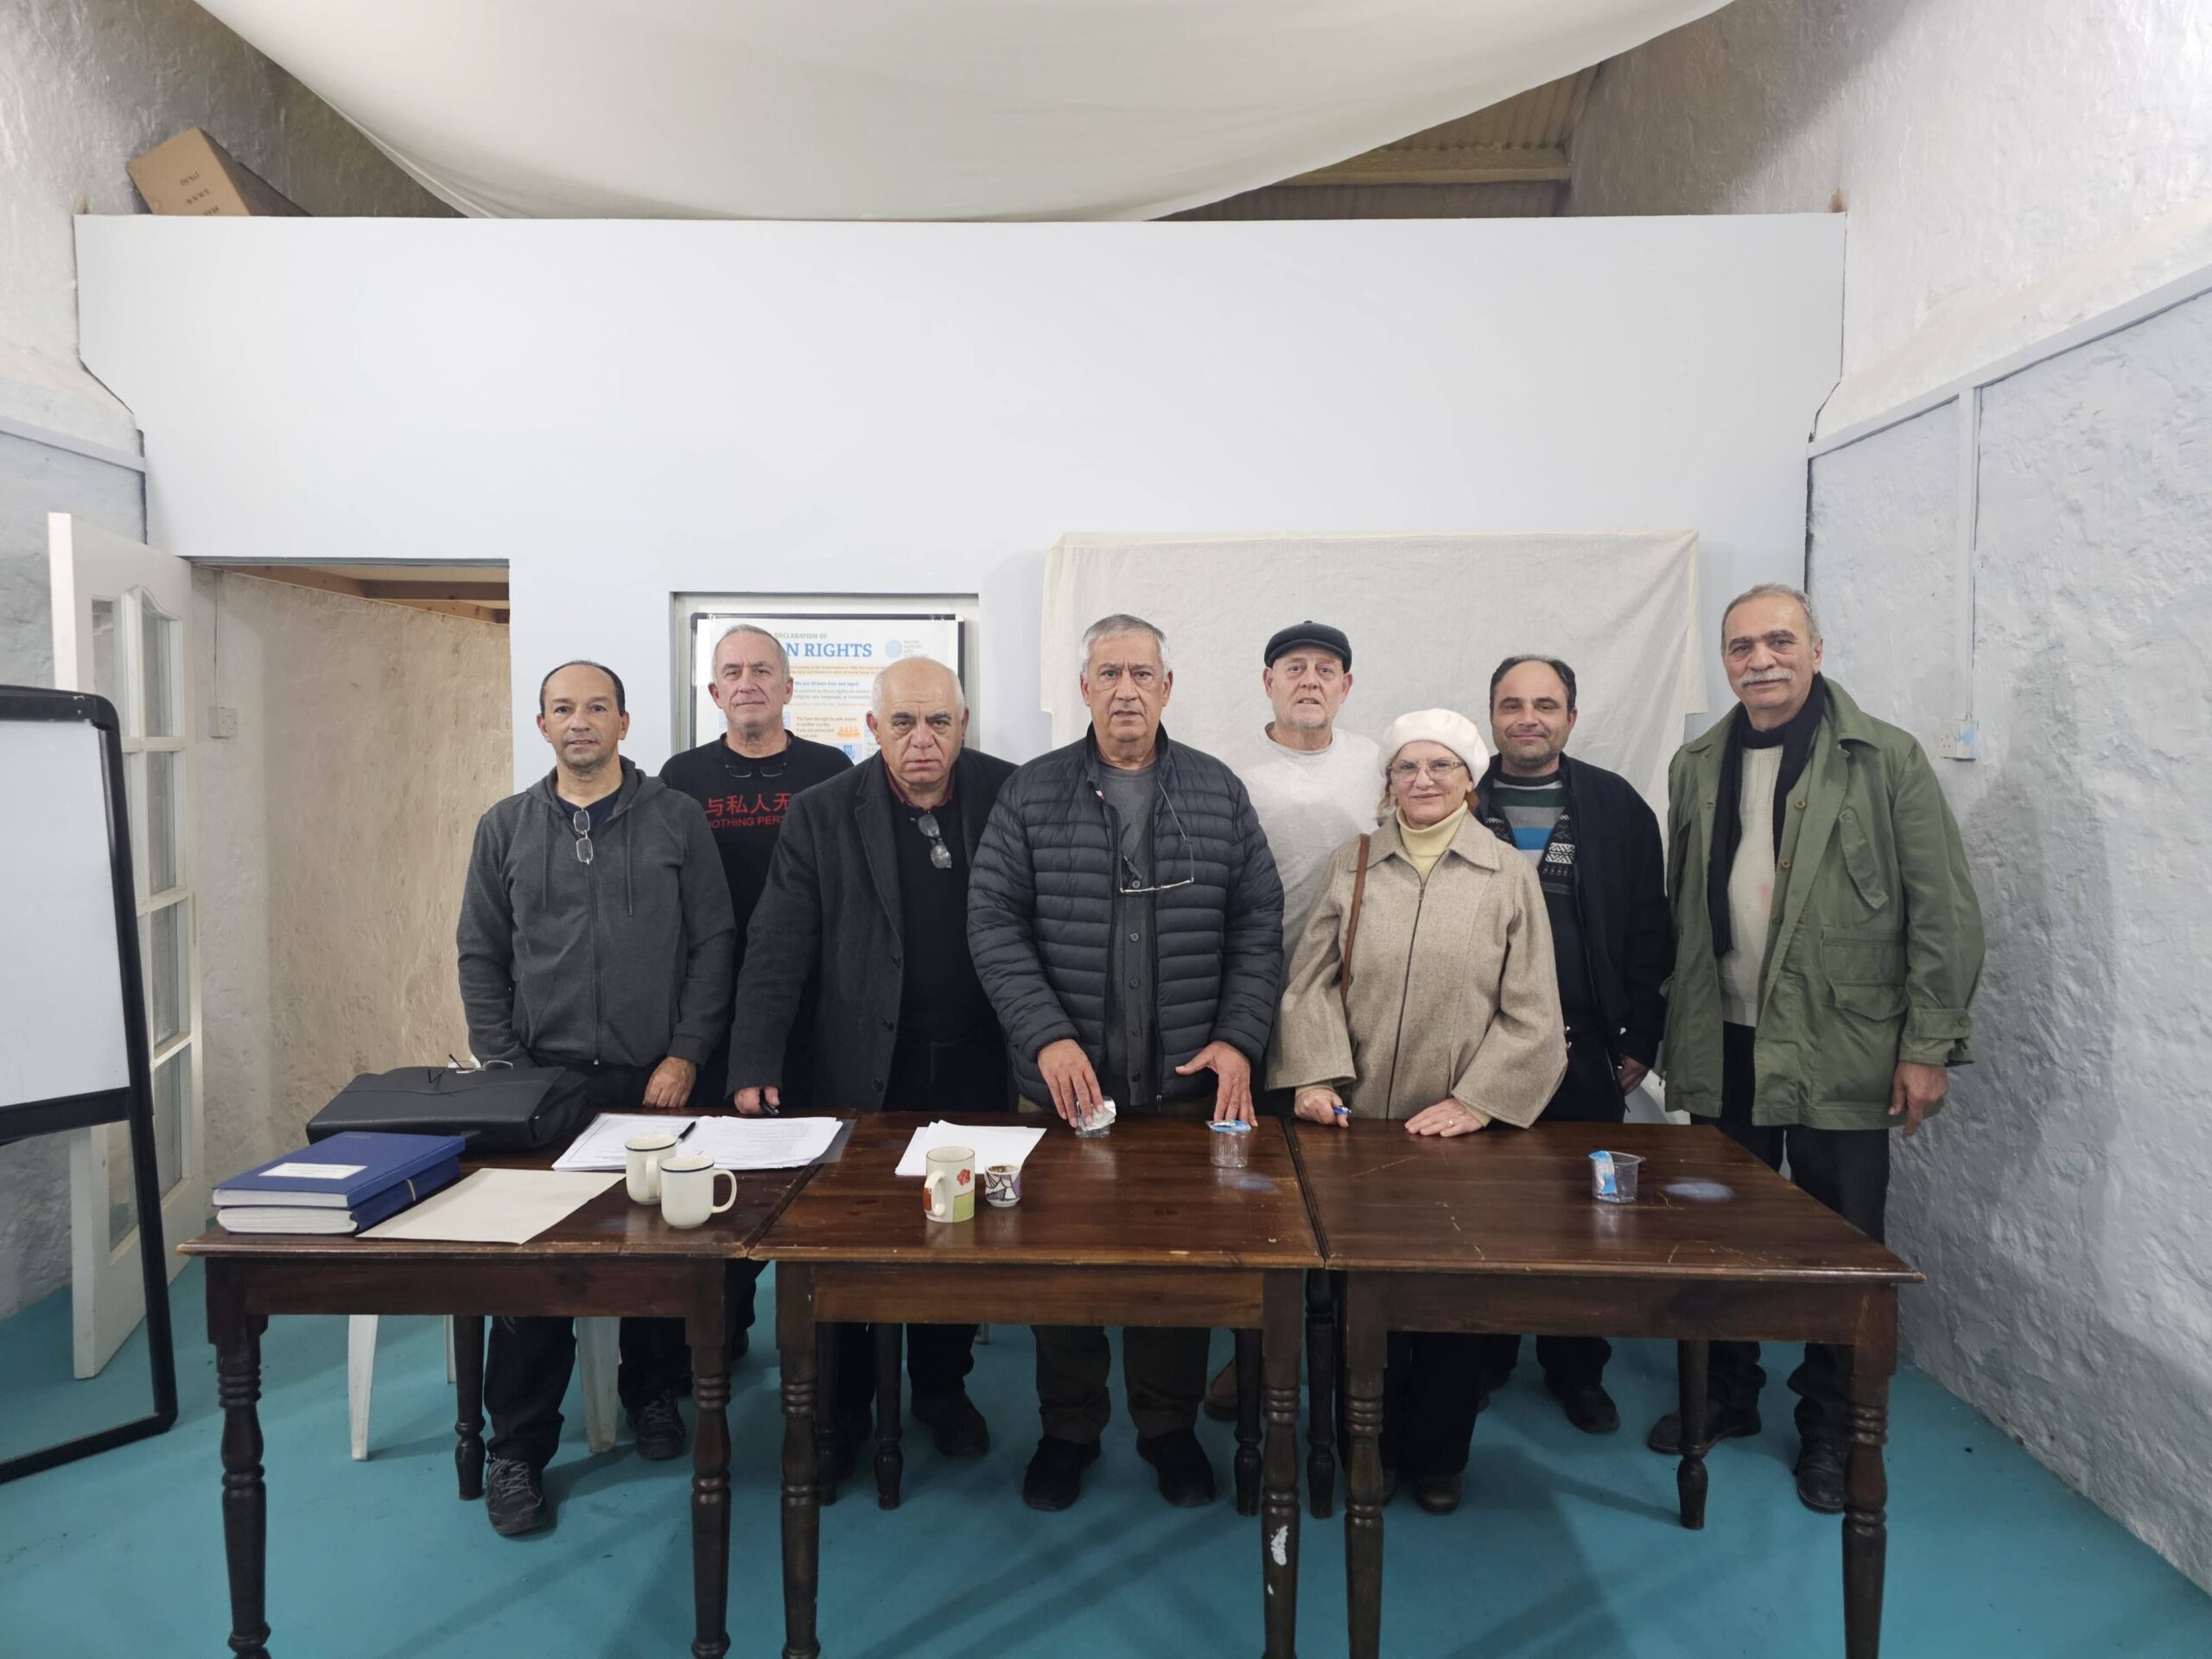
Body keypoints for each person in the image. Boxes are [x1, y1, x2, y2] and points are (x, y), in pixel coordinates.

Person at [1646, 583, 1982, 1513]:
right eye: (1741, 646)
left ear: (1817, 650)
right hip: (1724, 1041)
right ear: (1725, 662)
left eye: (1779, 641)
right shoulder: (1697, 762)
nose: (1760, 659)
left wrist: (1928, 1045)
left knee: (1842, 1246)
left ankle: (1833, 1427)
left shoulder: (1883, 758)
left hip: (1844, 1044)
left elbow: (1943, 910)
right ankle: (1726, 1390)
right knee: (1719, 1235)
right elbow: (1683, 907)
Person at [968, 613, 1284, 1513]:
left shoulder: (1217, 792)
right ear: (1084, 688)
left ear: (1168, 687)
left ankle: (1167, 1428)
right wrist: (1045, 1036)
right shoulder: (1032, 793)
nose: (1126, 690)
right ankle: (1068, 1432)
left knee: (1172, 1274)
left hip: (1182, 1089)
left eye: (1142, 673)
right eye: (1108, 673)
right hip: (1063, 1092)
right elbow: (992, 922)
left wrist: (1240, 1037)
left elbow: (1259, 924)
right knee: (1059, 1271)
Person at [456, 660, 736, 1537]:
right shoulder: (504, 827)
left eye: (597, 707)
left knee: (657, 1252)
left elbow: (715, 943)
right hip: (541, 1083)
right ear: (542, 725)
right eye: (563, 708)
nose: (580, 721)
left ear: (624, 722)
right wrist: (507, 1066)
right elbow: (479, 954)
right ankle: (517, 1450)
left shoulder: (676, 818)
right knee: (535, 1267)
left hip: (655, 1081)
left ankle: (651, 1393)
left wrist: (687, 1053)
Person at [726, 656, 1016, 1473]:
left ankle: (941, 1389)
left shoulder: (1008, 793)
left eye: (939, 722)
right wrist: (753, 1058)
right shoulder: (822, 812)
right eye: (903, 722)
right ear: (872, 728)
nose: (922, 739)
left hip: (977, 1064)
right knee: (850, 1241)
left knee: (957, 1236)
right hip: (860, 1065)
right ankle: (846, 1405)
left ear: (963, 726)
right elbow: (777, 944)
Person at [1273, 708, 1566, 1515]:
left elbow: (1535, 1012)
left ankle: (1438, 1458)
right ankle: (1366, 1449)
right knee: (1361, 1304)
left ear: (1470, 782)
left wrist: (1476, 1101)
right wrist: (1315, 1076)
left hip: (1458, 1137)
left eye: (1442, 766)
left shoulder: (1506, 875)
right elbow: (1310, 982)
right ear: (1389, 781)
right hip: (1360, 1127)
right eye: (1407, 766)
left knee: (1447, 1305)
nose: (1424, 779)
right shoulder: (1355, 862)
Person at [1469, 654, 1672, 1434]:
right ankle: (1481, 1357)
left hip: (1583, 1050)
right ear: (1492, 715)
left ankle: (1577, 1367)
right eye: (1512, 704)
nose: (1528, 717)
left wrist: (1641, 1035)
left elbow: (1649, 931)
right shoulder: (1456, 796)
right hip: (1477, 1051)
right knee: (1484, 1211)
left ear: (1571, 718)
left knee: (1583, 1220)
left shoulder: (1616, 807)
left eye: (1545, 704)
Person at [659, 622, 852, 1350]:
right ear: (714, 692)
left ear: (788, 687)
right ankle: (725, 1328)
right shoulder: (681, 776)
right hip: (712, 1003)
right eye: (733, 672)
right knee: (722, 1175)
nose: (748, 683)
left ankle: (819, 1337)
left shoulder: (830, 768)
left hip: (813, 1005)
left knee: (817, 1173)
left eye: (763, 670)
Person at [1207, 619, 1379, 1418]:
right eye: (1294, 667)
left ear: (1346, 686)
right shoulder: (1229, 777)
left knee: (1356, 1192)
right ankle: (1255, 1356)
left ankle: (1353, 1357)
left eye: (1326, 668)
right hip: (1255, 1002)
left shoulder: (1380, 764)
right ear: (1268, 682)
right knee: (1260, 1192)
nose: (1310, 680)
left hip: (1358, 1010)